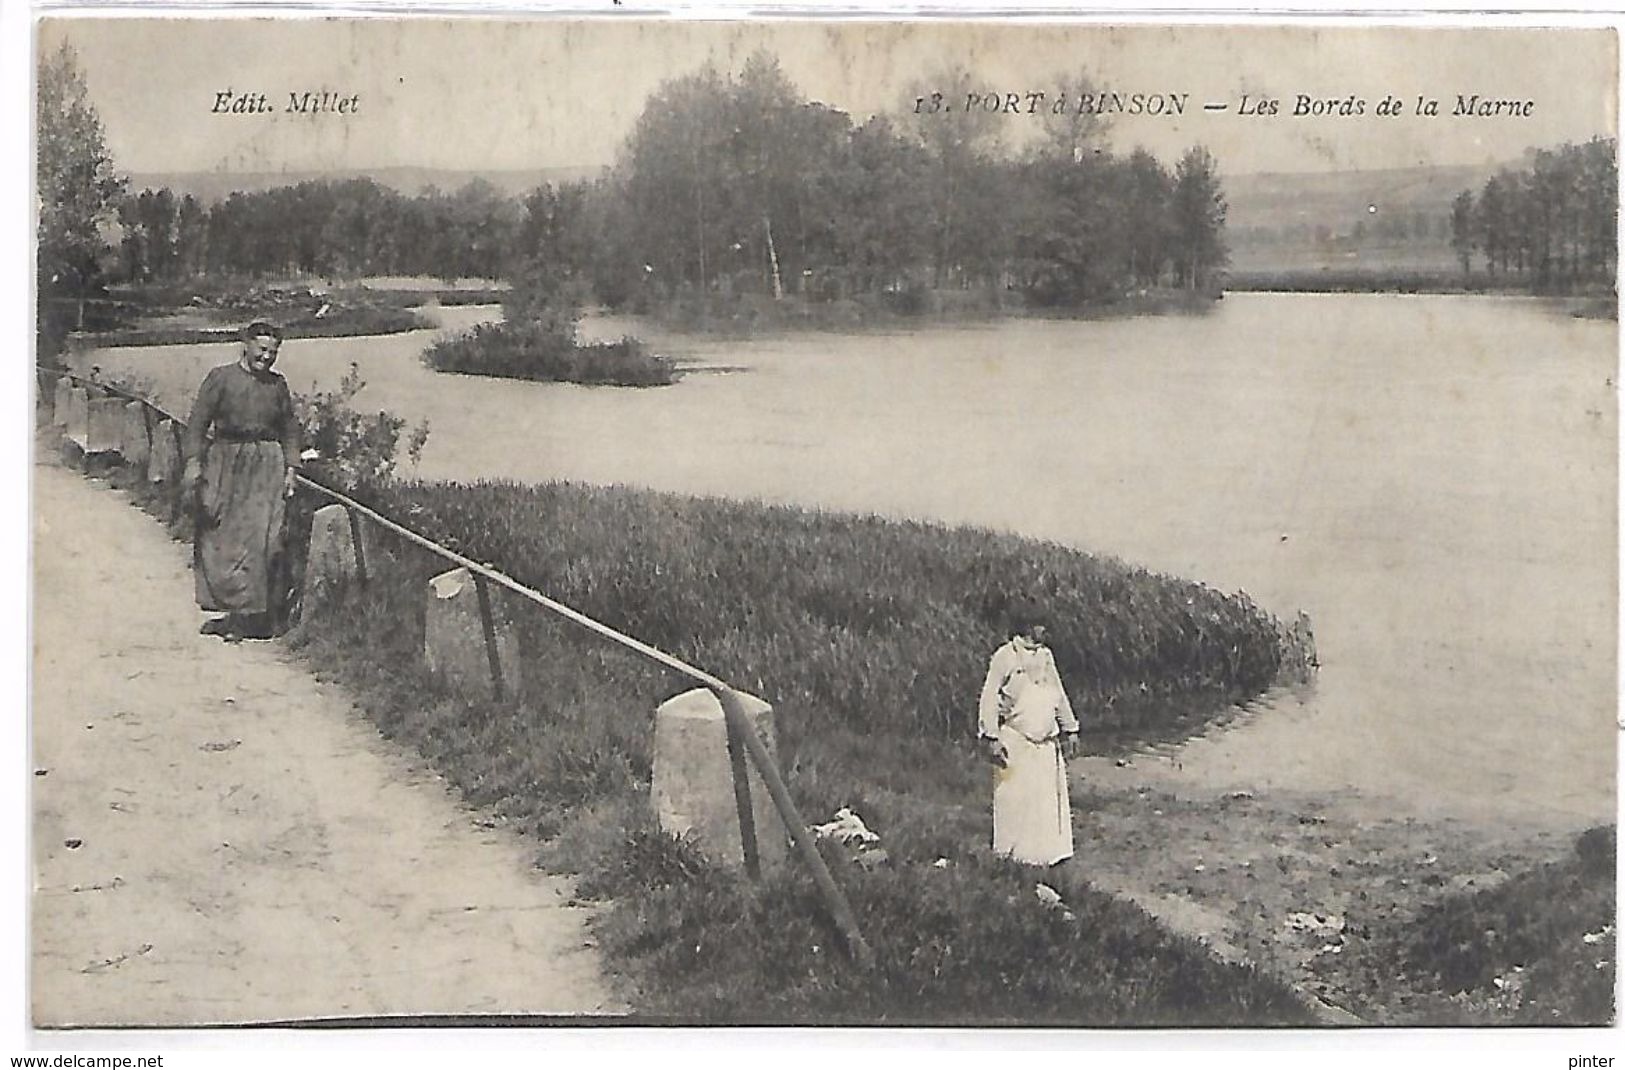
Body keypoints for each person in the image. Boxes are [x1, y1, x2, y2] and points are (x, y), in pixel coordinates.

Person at [182, 321, 301, 641]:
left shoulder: (278, 385)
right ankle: (234, 614)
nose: (267, 357)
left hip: (267, 465)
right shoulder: (220, 379)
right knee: (224, 539)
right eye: (262, 349)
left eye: (273, 352)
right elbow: (196, 424)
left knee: (265, 540)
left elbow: (290, 428)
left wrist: (291, 468)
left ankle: (253, 616)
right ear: (245, 344)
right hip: (226, 461)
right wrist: (194, 464)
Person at [977, 606, 1080, 866]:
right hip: (1015, 741)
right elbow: (989, 698)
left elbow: (1058, 693)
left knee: (1045, 802)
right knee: (1014, 798)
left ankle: (1048, 857)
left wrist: (1070, 728)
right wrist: (991, 737)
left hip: (1045, 745)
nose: (1045, 630)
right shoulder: (1005, 656)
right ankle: (1013, 858)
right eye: (1040, 624)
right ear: (1027, 625)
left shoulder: (1046, 657)